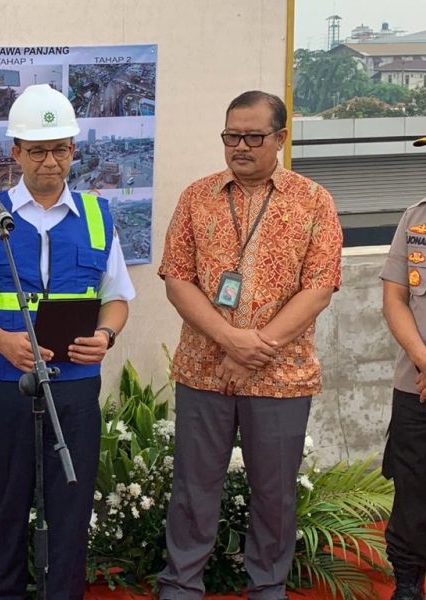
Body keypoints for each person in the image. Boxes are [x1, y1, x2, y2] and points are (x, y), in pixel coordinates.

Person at [0, 84, 135, 599]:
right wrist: (2, 341)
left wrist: (106, 335)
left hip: (74, 386)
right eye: (38, 149)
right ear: (16, 152)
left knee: (71, 506)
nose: (51, 161)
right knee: (6, 504)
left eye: (61, 148)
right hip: (5, 384)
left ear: (73, 150)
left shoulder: (97, 215)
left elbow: (117, 297)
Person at [157, 90, 342, 598]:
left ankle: (267, 588)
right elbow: (177, 279)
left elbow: (320, 285)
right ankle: (182, 585)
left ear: (280, 138)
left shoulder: (314, 201)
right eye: (231, 136)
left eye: (253, 136)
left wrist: (256, 347)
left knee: (275, 495)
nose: (240, 146)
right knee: (193, 489)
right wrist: (229, 342)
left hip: (282, 376)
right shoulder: (196, 197)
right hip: (203, 371)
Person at [379, 133, 426, 600]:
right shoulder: (416, 217)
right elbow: (395, 298)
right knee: (412, 487)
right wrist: (423, 357)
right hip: (417, 384)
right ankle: (409, 581)